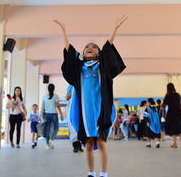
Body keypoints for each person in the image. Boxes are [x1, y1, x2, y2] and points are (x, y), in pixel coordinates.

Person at [53, 15, 127, 177]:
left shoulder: (103, 67)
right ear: (84, 53)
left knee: (101, 143)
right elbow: (69, 51)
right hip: (85, 114)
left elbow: (109, 47)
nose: (90, 48)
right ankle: (91, 173)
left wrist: (115, 29)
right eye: (87, 47)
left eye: (94, 47)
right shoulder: (79, 69)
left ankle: (104, 173)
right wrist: (63, 31)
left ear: (99, 54)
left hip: (101, 112)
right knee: (88, 145)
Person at [163, 83, 181, 148]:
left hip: (171, 113)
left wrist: (161, 108)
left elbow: (164, 104)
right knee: (178, 126)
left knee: (172, 128)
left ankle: (175, 144)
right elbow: (180, 104)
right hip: (178, 112)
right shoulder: (178, 95)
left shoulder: (168, 95)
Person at [41, 83, 64, 149]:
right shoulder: (56, 96)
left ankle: (47, 143)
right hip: (54, 114)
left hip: (46, 114)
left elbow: (43, 106)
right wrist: (61, 113)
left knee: (47, 129)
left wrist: (41, 114)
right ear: (54, 89)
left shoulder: (45, 96)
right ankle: (51, 139)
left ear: (48, 89)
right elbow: (58, 106)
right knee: (56, 128)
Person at [65, 84, 83, 152]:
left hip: (81, 108)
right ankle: (75, 146)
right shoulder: (71, 86)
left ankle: (80, 145)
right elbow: (67, 97)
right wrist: (73, 93)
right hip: (71, 108)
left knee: (80, 127)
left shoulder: (83, 83)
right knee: (73, 127)